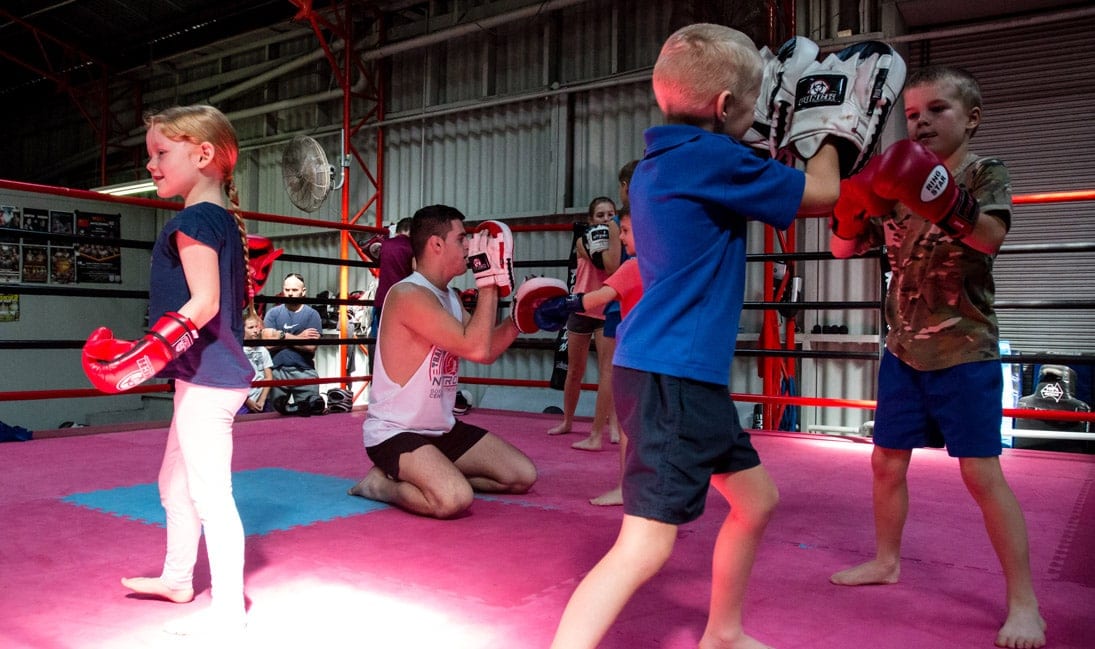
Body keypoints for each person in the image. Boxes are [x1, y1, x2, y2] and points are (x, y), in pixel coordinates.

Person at [550, 24, 841, 649]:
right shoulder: (712, 159)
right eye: (754, 101)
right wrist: (825, 125)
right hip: (672, 375)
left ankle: (724, 633)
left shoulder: (664, 159)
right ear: (726, 107)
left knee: (756, 501)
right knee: (645, 545)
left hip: (676, 372)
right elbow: (824, 192)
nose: (759, 112)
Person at [827, 65, 1045, 649]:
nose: (921, 122)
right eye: (914, 113)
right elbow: (842, 247)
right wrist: (853, 202)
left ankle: (1024, 601)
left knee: (980, 471)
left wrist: (937, 193)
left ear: (971, 117)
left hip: (964, 347)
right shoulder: (893, 184)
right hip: (903, 348)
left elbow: (990, 238)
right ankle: (886, 560)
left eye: (937, 110)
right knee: (885, 463)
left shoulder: (984, 173)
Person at [82, 104, 256, 637]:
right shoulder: (216, 219)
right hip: (201, 375)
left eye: (161, 153)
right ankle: (179, 578)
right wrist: (159, 351)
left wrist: (147, 352)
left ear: (203, 155)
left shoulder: (194, 221)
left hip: (208, 379)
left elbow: (203, 302)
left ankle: (228, 612)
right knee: (173, 485)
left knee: (209, 494)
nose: (152, 165)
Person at [347, 205, 537, 519]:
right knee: (453, 499)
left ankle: (435, 472)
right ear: (436, 245)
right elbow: (474, 348)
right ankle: (379, 485)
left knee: (521, 476)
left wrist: (520, 319)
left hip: (441, 430)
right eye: (462, 239)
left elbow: (484, 351)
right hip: (396, 432)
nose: (469, 246)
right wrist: (489, 281)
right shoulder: (408, 294)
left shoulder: (448, 296)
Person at [536, 207, 642, 506]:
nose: (618, 236)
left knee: (628, 424)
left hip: (638, 352)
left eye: (624, 231)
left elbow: (599, 296)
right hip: (649, 349)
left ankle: (627, 488)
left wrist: (562, 304)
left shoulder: (635, 266)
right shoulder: (659, 263)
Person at [546, 196, 622, 451]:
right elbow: (602, 262)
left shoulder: (618, 242)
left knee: (607, 372)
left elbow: (615, 267)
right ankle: (567, 420)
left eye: (610, 214)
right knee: (574, 370)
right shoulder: (581, 241)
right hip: (581, 307)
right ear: (591, 219)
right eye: (600, 215)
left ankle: (611, 425)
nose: (606, 219)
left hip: (606, 309)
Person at [262, 272, 324, 414]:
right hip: (277, 372)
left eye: (294, 290)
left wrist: (280, 336)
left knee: (309, 417)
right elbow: (268, 344)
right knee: (274, 418)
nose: (290, 294)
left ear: (303, 292)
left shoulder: (312, 314)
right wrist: (298, 337)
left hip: (304, 372)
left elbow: (310, 347)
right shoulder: (273, 313)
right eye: (287, 290)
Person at [240, 311, 273, 414]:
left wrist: (262, 400)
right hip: (242, 401)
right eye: (250, 328)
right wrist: (247, 401)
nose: (255, 330)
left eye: (256, 327)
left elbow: (268, 377)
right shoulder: (238, 350)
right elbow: (233, 379)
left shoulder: (263, 350)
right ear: (242, 330)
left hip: (262, 400)